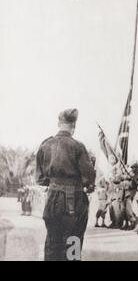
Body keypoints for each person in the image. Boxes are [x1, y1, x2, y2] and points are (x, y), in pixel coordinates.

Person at [35, 108, 96, 261]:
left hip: (52, 199)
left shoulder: (45, 145)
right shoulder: (78, 147)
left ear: (59, 123)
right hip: (73, 200)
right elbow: (88, 177)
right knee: (73, 241)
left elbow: (40, 179)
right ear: (74, 126)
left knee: (52, 242)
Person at [122, 162, 138, 230]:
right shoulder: (131, 174)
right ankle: (130, 222)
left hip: (134, 192)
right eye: (132, 168)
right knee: (127, 210)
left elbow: (137, 183)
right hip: (129, 193)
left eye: (134, 168)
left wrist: (132, 178)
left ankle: (134, 223)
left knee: (133, 209)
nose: (133, 169)